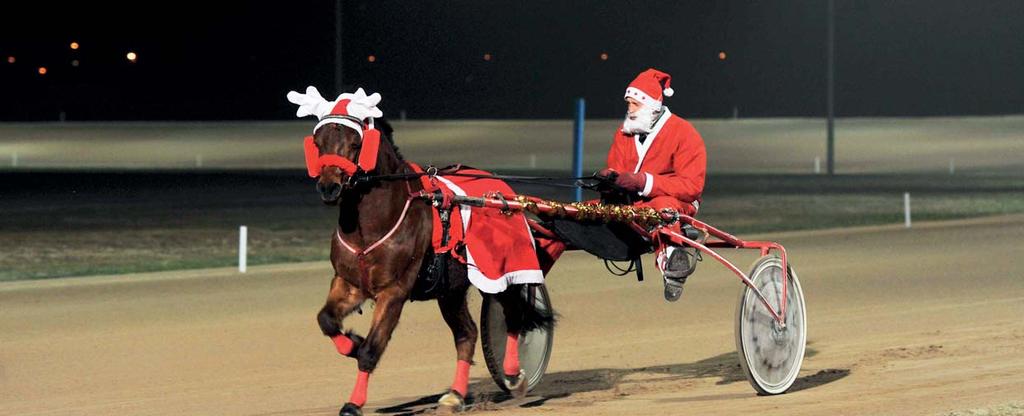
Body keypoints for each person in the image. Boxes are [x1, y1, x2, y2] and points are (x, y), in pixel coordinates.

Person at [600, 68, 707, 302]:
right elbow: (617, 171)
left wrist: (643, 181)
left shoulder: (685, 133)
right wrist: (609, 182)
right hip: (633, 205)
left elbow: (692, 187)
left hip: (678, 203)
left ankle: (673, 264)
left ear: (653, 106)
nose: (629, 110)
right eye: (628, 103)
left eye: (635, 104)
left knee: (662, 206)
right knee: (581, 211)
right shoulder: (624, 134)